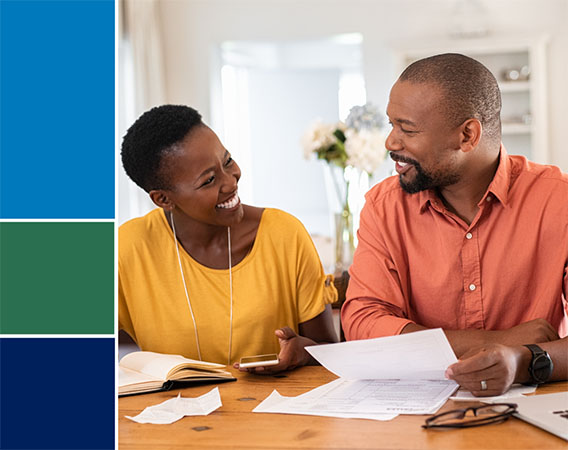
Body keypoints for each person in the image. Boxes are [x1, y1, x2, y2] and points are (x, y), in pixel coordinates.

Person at [341, 53, 568, 395]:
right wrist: (500, 342)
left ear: (467, 135)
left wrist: (520, 361)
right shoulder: (383, 207)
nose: (391, 142)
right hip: (414, 412)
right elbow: (363, 321)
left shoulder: (558, 200)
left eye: (408, 129)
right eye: (391, 125)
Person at [119, 105, 338, 373]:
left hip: (274, 412)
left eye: (227, 161)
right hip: (173, 412)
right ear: (163, 199)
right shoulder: (129, 248)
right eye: (209, 180)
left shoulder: (285, 235)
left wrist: (301, 351)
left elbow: (328, 349)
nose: (231, 182)